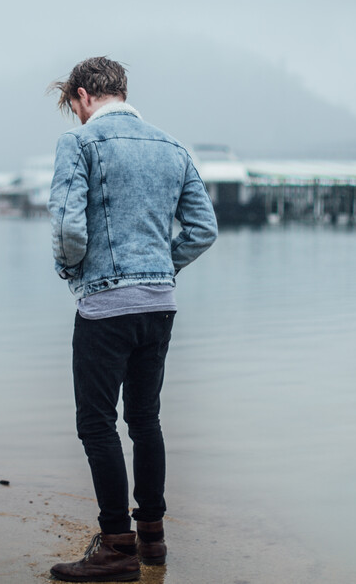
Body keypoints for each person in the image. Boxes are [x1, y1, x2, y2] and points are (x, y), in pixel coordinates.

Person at [46, 56, 218, 582]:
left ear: (81, 95)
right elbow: (203, 229)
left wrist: (70, 270)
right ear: (121, 90)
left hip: (105, 305)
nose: (74, 116)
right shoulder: (172, 147)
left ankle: (116, 546)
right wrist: (161, 267)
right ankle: (153, 542)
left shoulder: (79, 144)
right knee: (145, 421)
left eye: (71, 106)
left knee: (96, 423)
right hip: (159, 306)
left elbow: (69, 227)